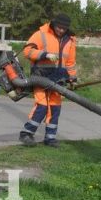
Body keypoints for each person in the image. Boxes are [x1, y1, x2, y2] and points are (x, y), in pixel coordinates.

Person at [18, 13, 77, 147]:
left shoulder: (71, 40)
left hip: (59, 79)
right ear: (53, 24)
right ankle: (26, 134)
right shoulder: (41, 34)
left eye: (64, 28)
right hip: (41, 77)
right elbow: (27, 51)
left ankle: (50, 138)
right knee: (42, 106)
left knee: (55, 108)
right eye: (59, 27)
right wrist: (45, 55)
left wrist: (72, 79)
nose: (61, 30)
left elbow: (70, 62)